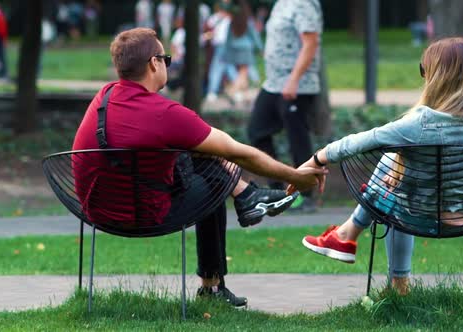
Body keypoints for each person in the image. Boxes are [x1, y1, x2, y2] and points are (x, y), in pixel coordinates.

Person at [72, 28, 326, 306]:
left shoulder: (104, 97)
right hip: (142, 213)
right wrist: (296, 177)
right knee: (213, 182)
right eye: (165, 58)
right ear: (154, 63)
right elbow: (240, 154)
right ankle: (212, 286)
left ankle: (246, 195)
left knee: (196, 153)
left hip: (97, 209)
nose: (168, 64)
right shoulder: (165, 114)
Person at [297, 37, 463, 295]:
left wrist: (315, 160)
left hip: (423, 215)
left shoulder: (419, 125)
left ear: (437, 76)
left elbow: (357, 142)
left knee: (389, 180)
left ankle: (378, 266)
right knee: (396, 166)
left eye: (425, 70)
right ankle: (346, 236)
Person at [247, 0, 323, 212]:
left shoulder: (303, 5)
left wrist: (294, 79)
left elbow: (311, 43)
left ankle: (307, 195)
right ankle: (279, 192)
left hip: (297, 84)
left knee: (297, 138)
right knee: (257, 132)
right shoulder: (282, 3)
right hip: (273, 84)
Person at [222, 0, 263, 105]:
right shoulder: (247, 21)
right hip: (246, 49)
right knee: (243, 73)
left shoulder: (232, 21)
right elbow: (254, 36)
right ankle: (232, 91)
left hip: (234, 49)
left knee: (241, 72)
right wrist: (261, 48)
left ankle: (240, 95)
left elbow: (228, 38)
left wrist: (226, 52)